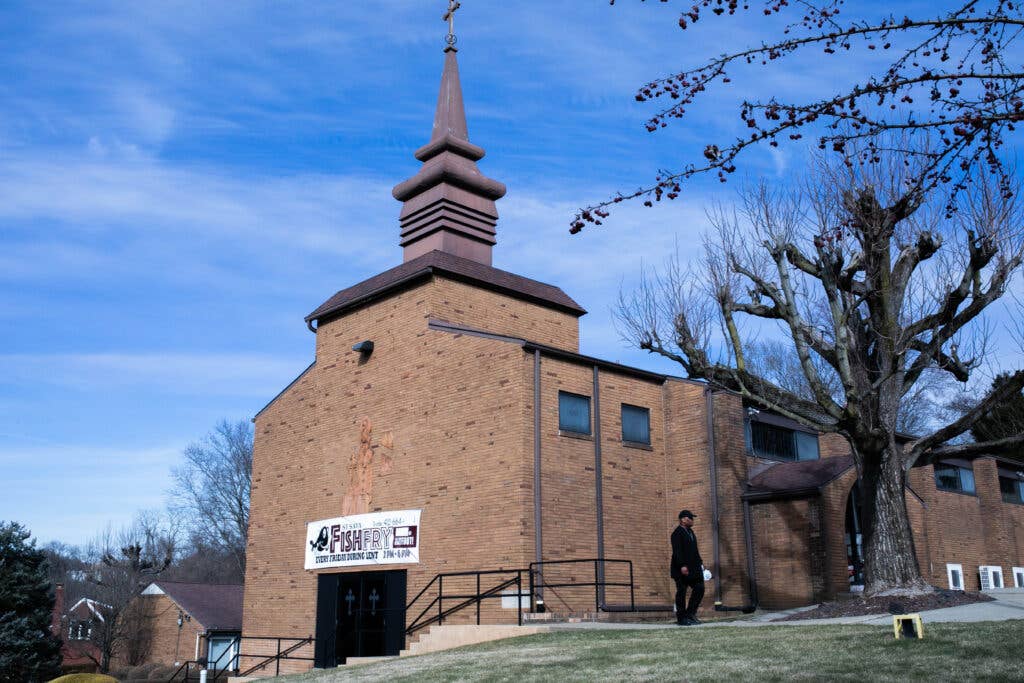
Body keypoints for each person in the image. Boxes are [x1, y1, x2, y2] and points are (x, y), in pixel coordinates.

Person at [670, 509, 705, 625]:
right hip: (681, 569)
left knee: (699, 587)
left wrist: (701, 563)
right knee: (681, 591)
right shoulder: (677, 533)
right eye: (690, 518)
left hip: (693, 569)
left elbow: (694, 551)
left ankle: (690, 614)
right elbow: (677, 551)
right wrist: (682, 565)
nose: (692, 520)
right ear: (683, 519)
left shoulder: (691, 532)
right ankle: (681, 618)